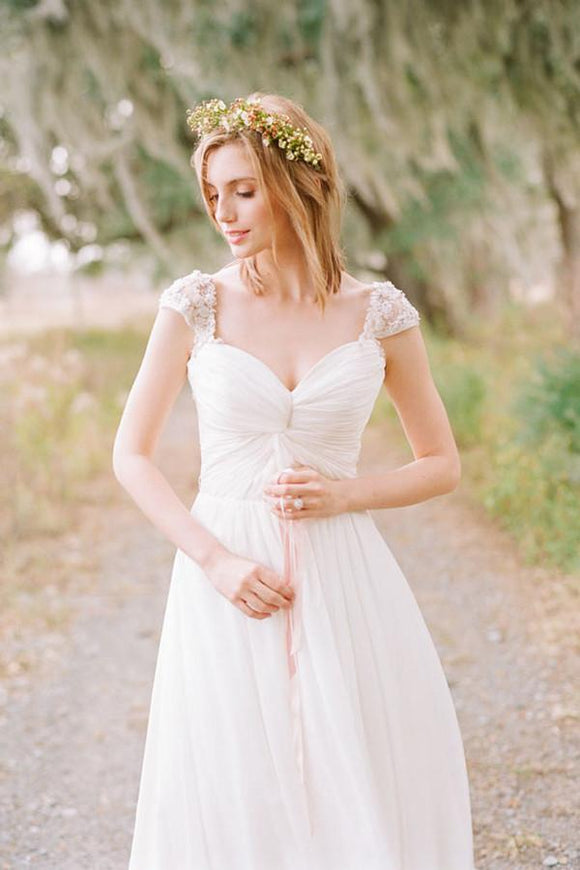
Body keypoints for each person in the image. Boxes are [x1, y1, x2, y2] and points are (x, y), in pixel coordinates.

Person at [113, 92, 476, 870]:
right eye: (213, 193)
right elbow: (131, 456)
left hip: (343, 569)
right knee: (236, 771)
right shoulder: (196, 305)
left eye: (243, 190)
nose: (224, 212)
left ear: (298, 184)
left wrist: (346, 494)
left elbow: (441, 463)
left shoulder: (379, 313)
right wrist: (216, 562)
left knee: (350, 764)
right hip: (228, 573)